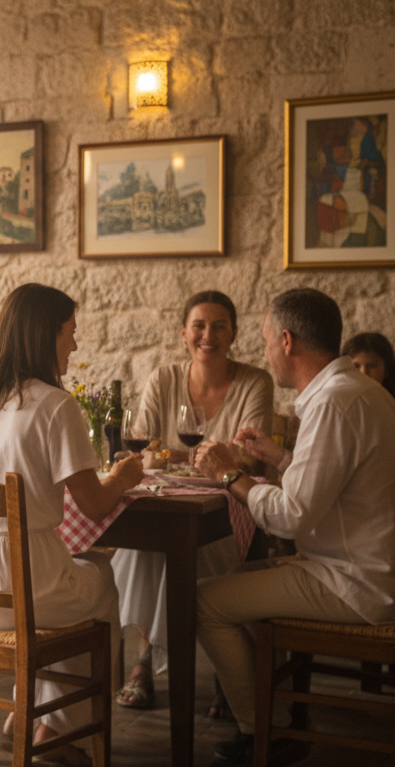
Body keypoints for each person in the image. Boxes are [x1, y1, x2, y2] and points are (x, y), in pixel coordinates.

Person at [194, 288, 395, 767]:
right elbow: (337, 482)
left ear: (287, 340)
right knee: (241, 575)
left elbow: (291, 515)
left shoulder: (332, 404)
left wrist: (228, 475)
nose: (263, 352)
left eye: (264, 340)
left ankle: (267, 730)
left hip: (357, 582)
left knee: (205, 601)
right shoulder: (359, 393)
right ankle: (279, 718)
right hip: (380, 570)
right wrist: (278, 457)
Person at [0, 283, 144, 767]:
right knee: (101, 583)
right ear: (46, 334)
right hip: (22, 586)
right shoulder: (54, 406)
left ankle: (40, 719)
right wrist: (123, 477)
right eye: (70, 332)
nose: (74, 344)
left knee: (76, 586)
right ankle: (53, 725)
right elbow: (92, 505)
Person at [110, 291, 274, 716]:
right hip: (168, 497)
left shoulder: (255, 381)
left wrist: (181, 455)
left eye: (220, 326)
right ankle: (143, 663)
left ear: (234, 333)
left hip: (230, 505)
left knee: (195, 550)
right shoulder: (164, 378)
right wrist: (207, 456)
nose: (208, 335)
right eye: (199, 325)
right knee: (142, 549)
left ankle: (224, 669)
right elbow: (143, 450)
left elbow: (252, 458)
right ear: (184, 334)